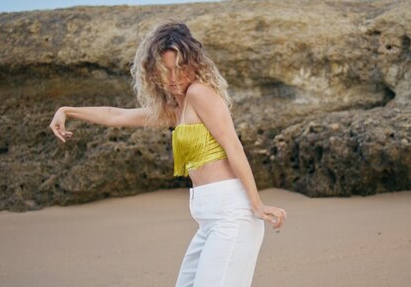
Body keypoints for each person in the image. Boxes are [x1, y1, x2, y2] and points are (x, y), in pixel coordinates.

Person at [48, 19, 286, 287]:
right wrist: (67, 111)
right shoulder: (175, 109)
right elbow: (116, 115)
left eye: (180, 69)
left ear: (194, 64)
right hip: (209, 219)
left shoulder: (199, 94)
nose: (173, 79)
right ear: (153, 71)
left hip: (232, 215)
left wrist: (256, 203)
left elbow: (233, 145)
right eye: (165, 70)